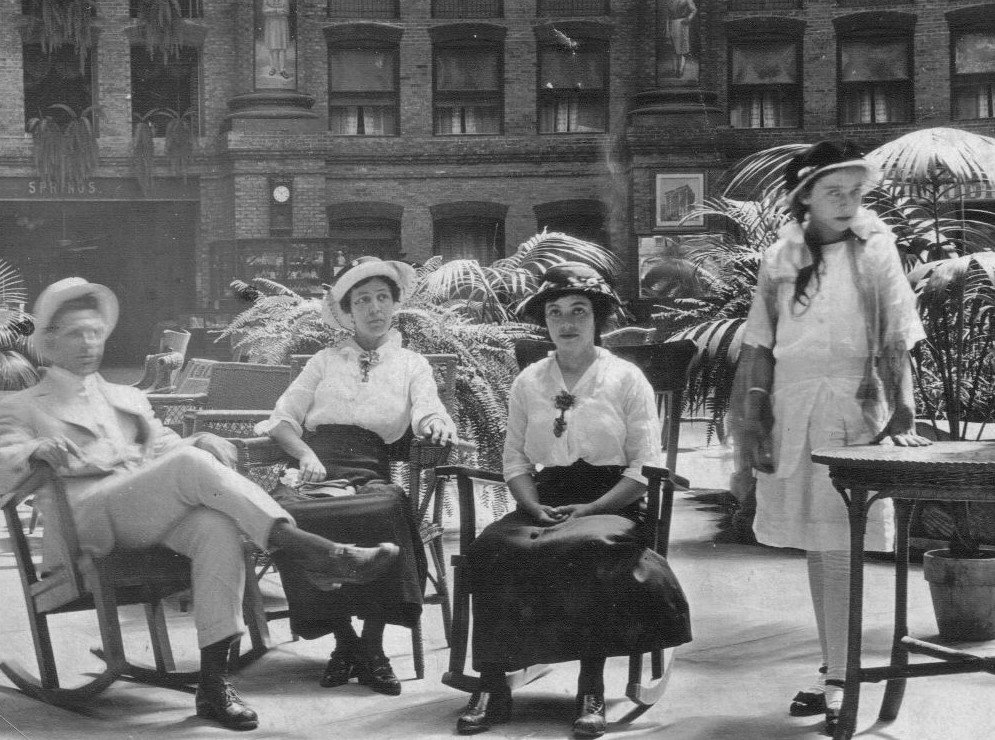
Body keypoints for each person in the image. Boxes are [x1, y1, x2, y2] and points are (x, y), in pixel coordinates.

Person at [0, 278, 399, 731]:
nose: (90, 342)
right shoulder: (23, 405)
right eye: (76, 333)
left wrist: (199, 437)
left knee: (216, 526)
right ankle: (309, 551)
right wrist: (32, 451)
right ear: (49, 342)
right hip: (86, 518)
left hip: (143, 510)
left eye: (95, 331)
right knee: (190, 465)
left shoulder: (125, 398)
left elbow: (168, 449)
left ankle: (213, 685)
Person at [734, 141, 929, 734]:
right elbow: (761, 343)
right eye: (832, 192)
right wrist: (755, 420)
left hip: (855, 406)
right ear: (805, 198)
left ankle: (844, 677)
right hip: (795, 408)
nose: (847, 202)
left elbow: (897, 333)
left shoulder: (877, 251)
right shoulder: (780, 258)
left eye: (854, 191)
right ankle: (834, 667)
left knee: (843, 545)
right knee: (821, 549)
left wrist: (904, 412)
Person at [454, 263, 691, 739]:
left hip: (615, 500)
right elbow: (515, 459)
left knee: (588, 547)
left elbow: (644, 467)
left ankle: (591, 686)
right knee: (494, 547)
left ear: (597, 318)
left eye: (578, 311)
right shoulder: (529, 382)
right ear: (545, 321)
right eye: (555, 312)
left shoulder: (625, 378)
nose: (566, 322)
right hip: (546, 497)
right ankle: (494, 684)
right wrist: (532, 505)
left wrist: (592, 508)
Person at [257, 257, 457, 697]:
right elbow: (282, 420)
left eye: (382, 297)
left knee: (387, 507)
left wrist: (436, 422)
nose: (373, 308)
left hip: (370, 470)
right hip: (318, 469)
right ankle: (344, 642)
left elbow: (426, 408)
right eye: (362, 300)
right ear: (348, 311)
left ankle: (372, 647)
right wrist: (305, 453)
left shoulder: (411, 364)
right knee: (285, 513)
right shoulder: (324, 362)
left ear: (394, 304)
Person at [664, 0, 697, 77]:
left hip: (682, 24)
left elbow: (694, 10)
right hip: (672, 25)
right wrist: (667, 29)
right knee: (673, 49)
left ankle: (680, 70)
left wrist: (688, 18)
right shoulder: (670, 2)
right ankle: (675, 70)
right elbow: (668, 17)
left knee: (682, 49)